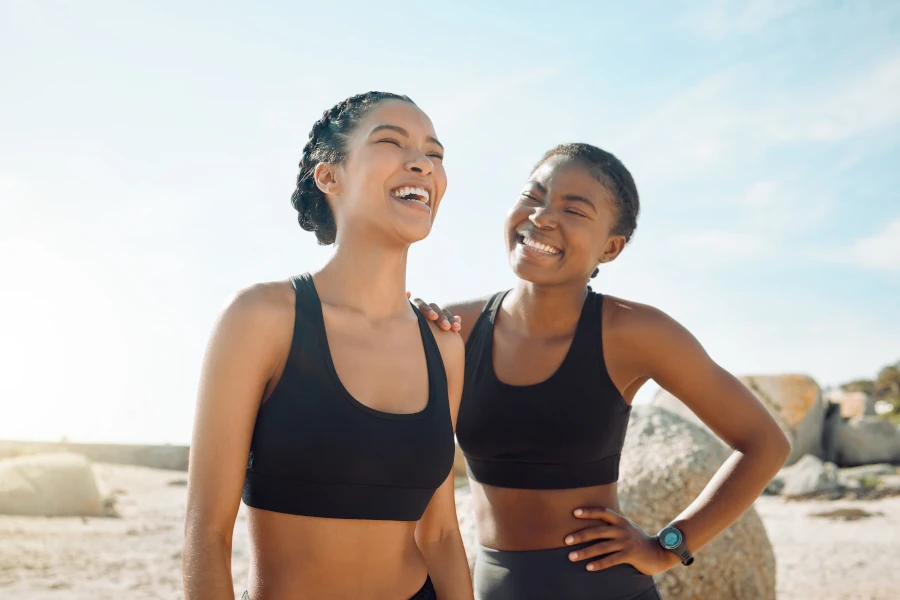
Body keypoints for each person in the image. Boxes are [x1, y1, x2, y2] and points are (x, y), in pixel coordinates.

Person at [412, 143, 791, 600]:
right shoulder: (453, 329)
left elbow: (765, 443)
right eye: (533, 195)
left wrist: (669, 546)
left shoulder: (635, 332)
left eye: (574, 210)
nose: (543, 217)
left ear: (610, 248)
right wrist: (401, 330)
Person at [183, 91, 474, 600]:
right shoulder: (261, 319)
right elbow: (207, 534)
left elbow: (442, 534)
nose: (422, 164)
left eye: (435, 153)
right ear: (329, 175)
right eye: (391, 141)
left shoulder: (443, 346)